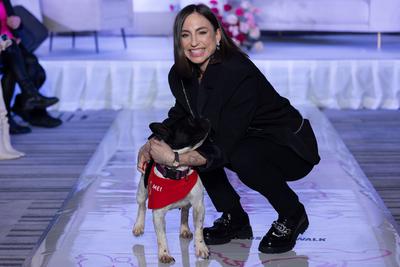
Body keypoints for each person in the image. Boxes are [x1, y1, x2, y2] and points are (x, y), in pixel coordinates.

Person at [137, 4, 320, 254]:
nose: (194, 42)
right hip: (243, 140)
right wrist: (152, 143)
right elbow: (181, 116)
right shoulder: (180, 75)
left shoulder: (238, 72)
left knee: (236, 154)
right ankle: (235, 218)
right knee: (202, 144)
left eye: (202, 32)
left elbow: (226, 142)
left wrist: (174, 158)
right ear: (178, 40)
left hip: (287, 146)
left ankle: (292, 213)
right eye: (185, 35)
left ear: (218, 35)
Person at [0, 0, 61, 134]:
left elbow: (13, 23)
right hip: (5, 47)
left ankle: (28, 106)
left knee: (34, 69)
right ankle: (8, 117)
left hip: (10, 45)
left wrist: (17, 24)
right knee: (12, 69)